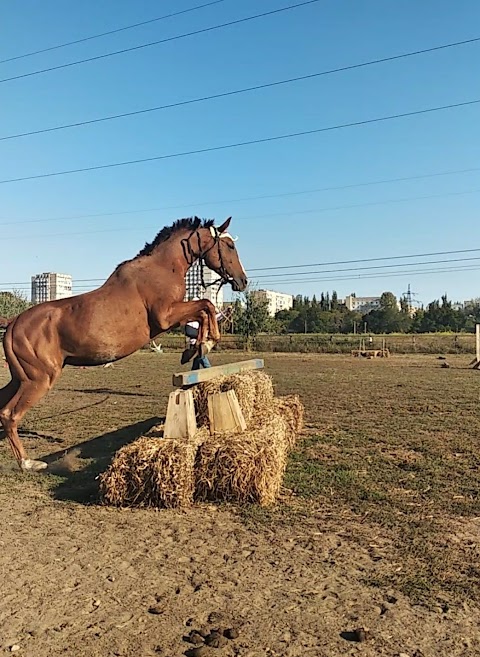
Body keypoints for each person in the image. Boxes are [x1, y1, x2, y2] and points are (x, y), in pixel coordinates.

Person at [181, 304, 233, 370]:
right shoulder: (194, 320)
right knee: (204, 362)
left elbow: (216, 317)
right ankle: (211, 374)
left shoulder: (197, 319)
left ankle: (194, 376)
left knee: (196, 363)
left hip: (197, 344)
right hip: (197, 345)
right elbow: (190, 332)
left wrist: (226, 311)